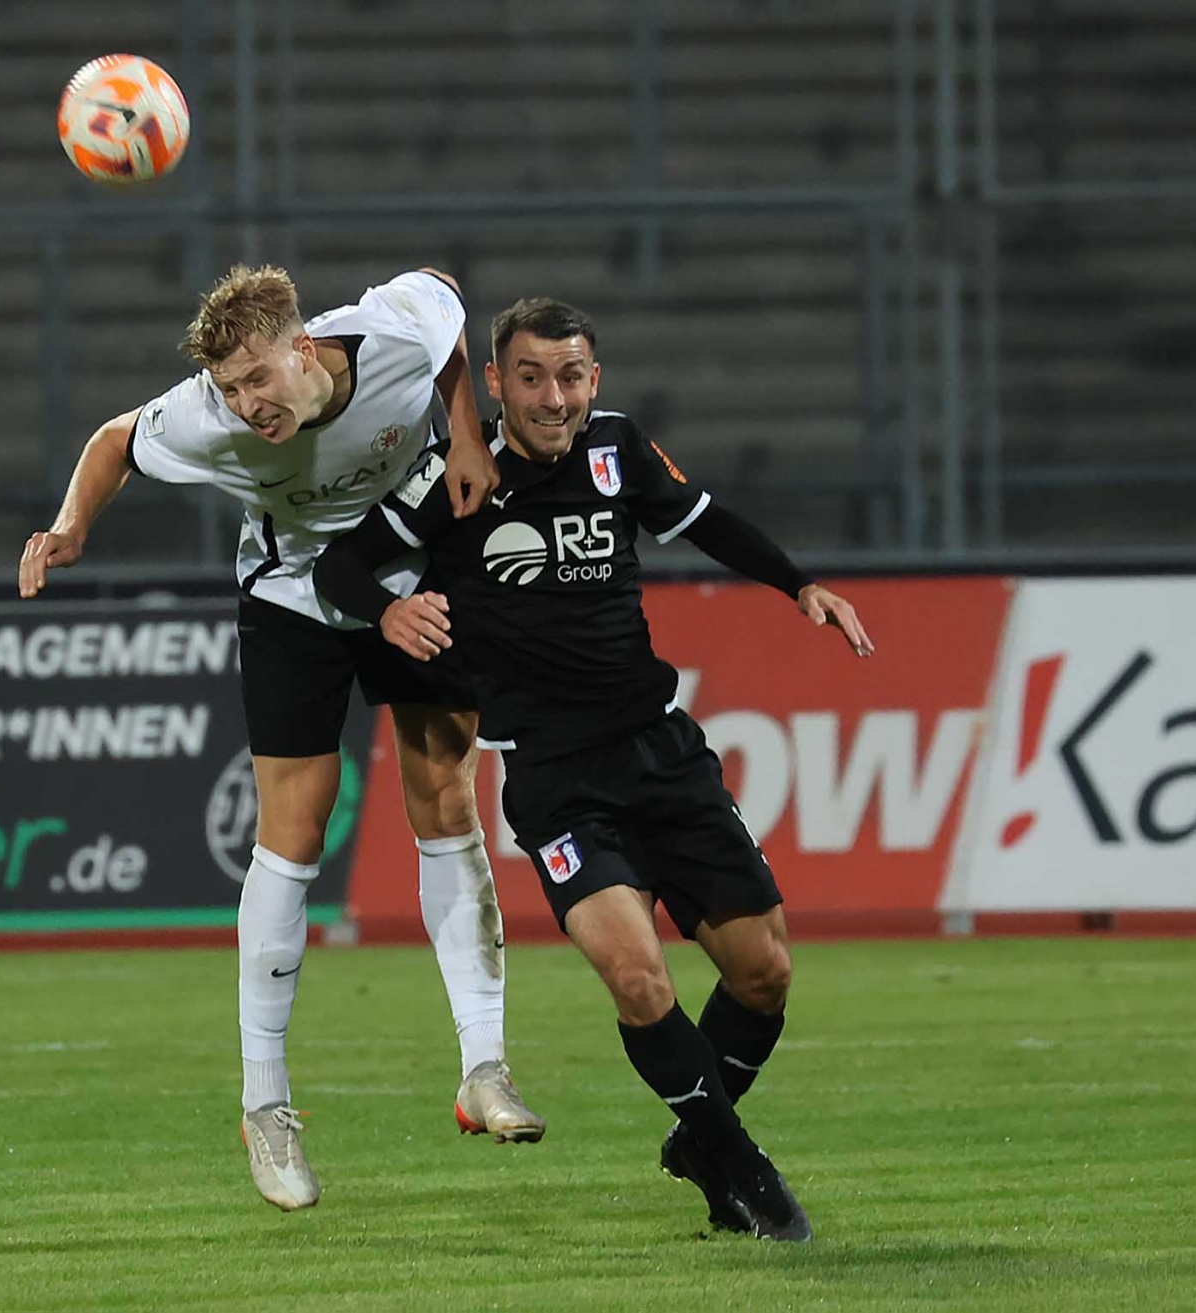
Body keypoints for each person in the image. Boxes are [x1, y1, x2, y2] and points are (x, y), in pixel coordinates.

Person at [313, 297, 872, 1241]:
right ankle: (739, 1173)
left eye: (571, 376)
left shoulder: (619, 451)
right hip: (555, 776)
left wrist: (799, 583)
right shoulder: (456, 476)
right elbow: (339, 567)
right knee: (639, 977)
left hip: (661, 750)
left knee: (764, 971)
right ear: (495, 384)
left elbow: (708, 520)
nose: (553, 396)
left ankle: (703, 1136)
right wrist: (388, 612)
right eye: (530, 376)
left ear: (594, 381)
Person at [18, 265, 545, 1214]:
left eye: (259, 377)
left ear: (305, 349)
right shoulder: (206, 418)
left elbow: (447, 298)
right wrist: (68, 528)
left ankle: (485, 1067)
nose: (247, 404)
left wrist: (465, 430)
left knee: (448, 799)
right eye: (229, 387)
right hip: (293, 598)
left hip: (409, 580)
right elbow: (111, 443)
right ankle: (266, 1105)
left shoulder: (393, 341)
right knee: (292, 834)